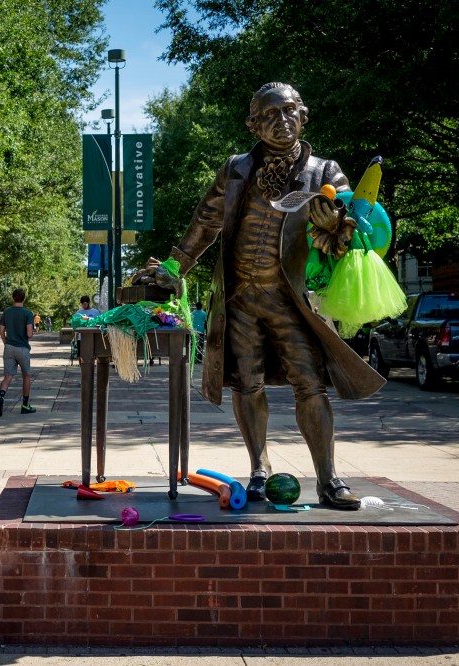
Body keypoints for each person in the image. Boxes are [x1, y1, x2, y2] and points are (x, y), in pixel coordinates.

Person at [130, 82, 385, 510]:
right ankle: (259, 469)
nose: (281, 121)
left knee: (311, 384)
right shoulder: (235, 169)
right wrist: (173, 269)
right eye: (269, 115)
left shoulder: (326, 172)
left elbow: (352, 229)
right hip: (240, 299)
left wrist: (334, 222)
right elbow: (204, 223)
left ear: (303, 116)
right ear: (254, 125)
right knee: (246, 384)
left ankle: (328, 479)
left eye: (288, 112)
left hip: (294, 299)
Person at [0, 288, 36, 416]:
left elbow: (1, 330)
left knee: (8, 376)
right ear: (24, 298)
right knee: (26, 376)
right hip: (22, 348)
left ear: (13, 297)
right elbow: (29, 334)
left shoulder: (6, 312)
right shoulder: (28, 313)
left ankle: (1, 397)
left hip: (9, 347)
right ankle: (25, 405)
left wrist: (5, 341)